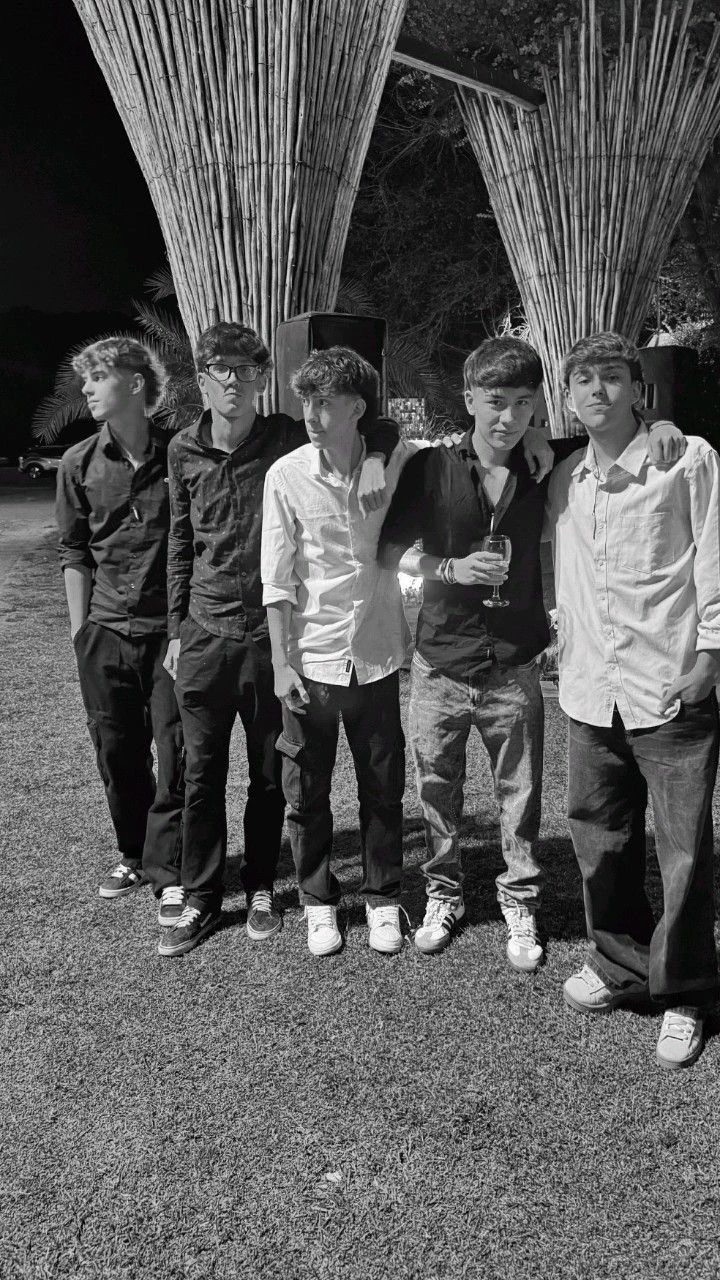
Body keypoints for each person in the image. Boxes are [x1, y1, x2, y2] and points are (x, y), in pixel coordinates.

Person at [377, 337, 684, 970]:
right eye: (496, 401)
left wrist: (661, 424)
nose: (509, 417)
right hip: (440, 660)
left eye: (523, 403)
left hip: (515, 662)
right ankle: (443, 895)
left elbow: (620, 429)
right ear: (469, 399)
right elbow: (389, 551)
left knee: (519, 795)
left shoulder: (553, 461)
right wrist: (448, 568)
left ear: (538, 406)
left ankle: (520, 902)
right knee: (436, 789)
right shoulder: (430, 467)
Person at [161, 324, 399, 958]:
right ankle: (201, 895)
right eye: (220, 369)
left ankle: (263, 884)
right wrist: (176, 629)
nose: (233, 381)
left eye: (246, 369)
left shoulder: (288, 436)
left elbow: (373, 424)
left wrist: (377, 454)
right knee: (201, 772)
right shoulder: (182, 448)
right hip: (207, 629)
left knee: (275, 776)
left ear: (262, 380)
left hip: (276, 640)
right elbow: (180, 541)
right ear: (202, 379)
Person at [548, 331, 720, 1071]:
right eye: (583, 379)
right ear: (568, 397)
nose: (598, 391)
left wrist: (710, 658)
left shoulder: (688, 459)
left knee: (684, 851)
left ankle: (685, 990)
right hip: (591, 691)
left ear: (637, 388)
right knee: (600, 840)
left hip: (669, 685)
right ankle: (620, 963)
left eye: (612, 376)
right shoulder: (564, 478)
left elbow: (714, 558)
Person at [261, 347, 414, 958]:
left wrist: (378, 454)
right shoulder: (287, 475)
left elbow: (434, 446)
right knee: (306, 794)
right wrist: (280, 664)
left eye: (325, 402)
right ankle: (319, 900)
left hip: (376, 657)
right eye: (307, 401)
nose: (311, 414)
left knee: (383, 789)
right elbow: (276, 579)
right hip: (312, 660)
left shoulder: (395, 461)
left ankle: (382, 898)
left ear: (357, 408)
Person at [56, 338, 185, 923]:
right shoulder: (77, 462)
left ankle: (169, 870)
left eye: (97, 377)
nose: (85, 389)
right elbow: (74, 551)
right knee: (117, 751)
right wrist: (81, 632)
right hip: (105, 631)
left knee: (176, 750)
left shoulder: (182, 454)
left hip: (171, 634)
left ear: (135, 383)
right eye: (85, 379)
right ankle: (133, 853)